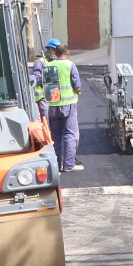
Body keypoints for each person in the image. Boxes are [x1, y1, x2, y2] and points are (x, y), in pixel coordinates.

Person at [41, 40, 83, 171]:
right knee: (70, 135)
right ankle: (69, 165)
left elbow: (46, 85)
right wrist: (79, 90)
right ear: (67, 52)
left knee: (56, 137)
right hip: (68, 105)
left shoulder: (49, 65)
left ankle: (57, 165)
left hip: (53, 106)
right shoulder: (70, 65)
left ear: (56, 53)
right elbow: (76, 84)